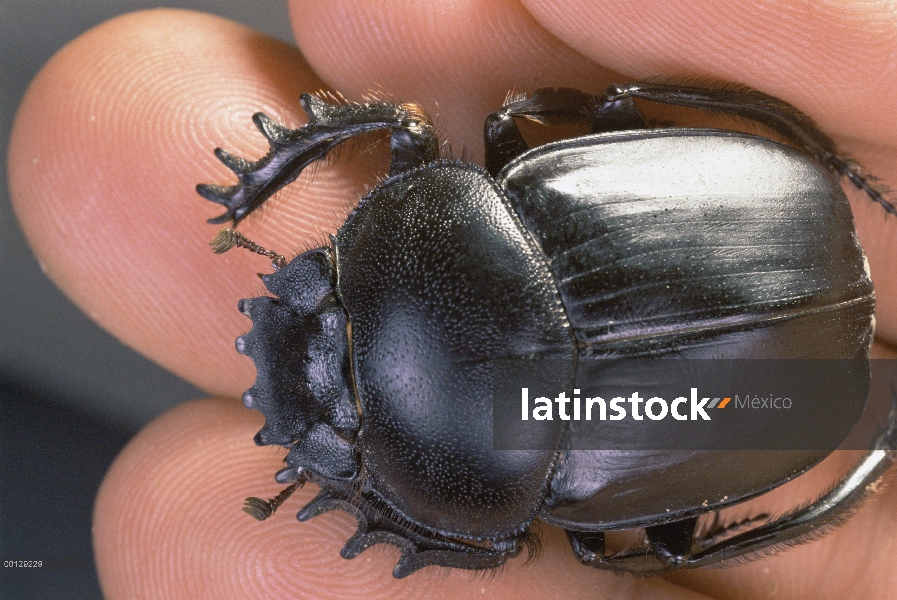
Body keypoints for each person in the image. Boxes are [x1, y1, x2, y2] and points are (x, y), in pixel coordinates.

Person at [8, 3, 897, 598]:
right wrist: (256, 190)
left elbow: (493, 542)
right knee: (604, 106)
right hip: (777, 237)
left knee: (649, 547)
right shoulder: (492, 175)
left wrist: (365, 508)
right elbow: (400, 128)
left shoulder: (552, 481)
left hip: (791, 371)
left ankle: (871, 459)